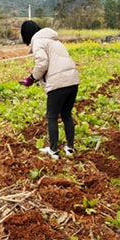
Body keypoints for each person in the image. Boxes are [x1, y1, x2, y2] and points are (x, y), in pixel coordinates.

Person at [20, 20, 80, 160]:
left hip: (58, 83)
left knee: (52, 116)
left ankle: (53, 151)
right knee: (66, 114)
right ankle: (70, 148)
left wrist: (31, 78)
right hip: (72, 81)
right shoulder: (54, 40)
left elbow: (42, 62)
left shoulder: (38, 42)